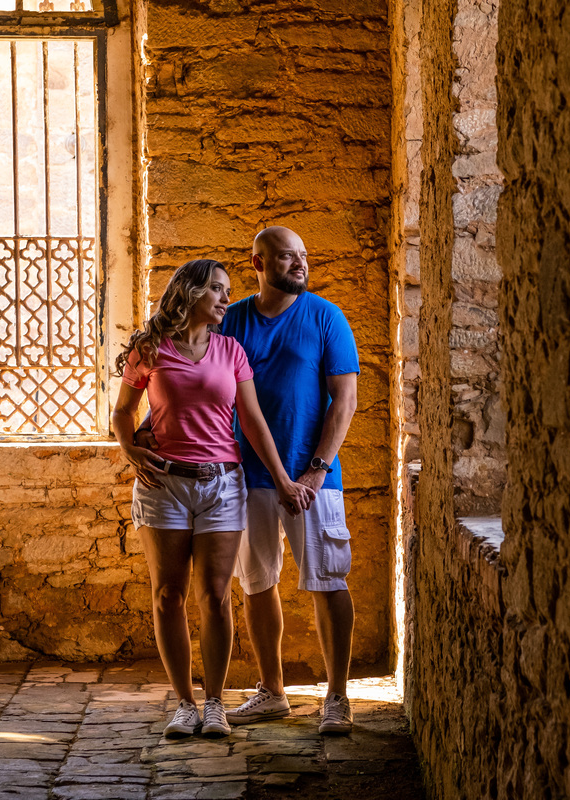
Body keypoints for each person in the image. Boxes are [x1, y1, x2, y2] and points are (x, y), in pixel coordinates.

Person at [112, 258, 315, 740]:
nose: (227, 299)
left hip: (223, 484)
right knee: (168, 595)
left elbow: (253, 422)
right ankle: (184, 704)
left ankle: (215, 704)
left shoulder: (232, 352)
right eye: (218, 291)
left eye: (227, 291)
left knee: (216, 595)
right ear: (190, 293)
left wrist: (284, 480)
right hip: (164, 485)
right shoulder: (151, 349)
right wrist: (129, 449)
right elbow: (123, 412)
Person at [221, 226, 360, 735]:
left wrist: (316, 469)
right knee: (258, 583)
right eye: (286, 256)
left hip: (313, 477)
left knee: (328, 580)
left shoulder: (325, 316)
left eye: (303, 255)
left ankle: (338, 696)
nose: (299, 264)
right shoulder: (232, 320)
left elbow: (344, 401)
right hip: (248, 475)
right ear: (257, 262)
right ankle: (272, 692)